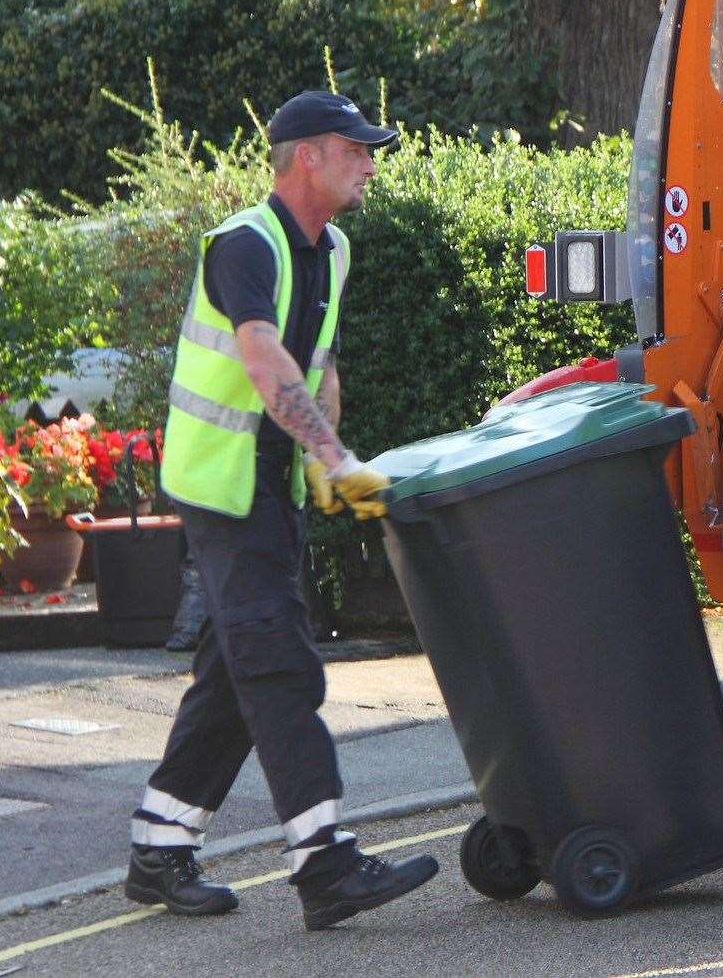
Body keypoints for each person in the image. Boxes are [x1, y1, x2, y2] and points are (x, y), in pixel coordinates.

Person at [125, 90, 439, 931]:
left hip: (274, 486)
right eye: (357, 148)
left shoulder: (331, 249)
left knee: (237, 672)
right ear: (308, 155)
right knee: (279, 663)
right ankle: (324, 860)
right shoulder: (242, 245)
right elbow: (263, 356)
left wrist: (322, 454)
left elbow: (317, 363)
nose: (371, 162)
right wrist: (333, 456)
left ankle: (161, 841)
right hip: (223, 489)